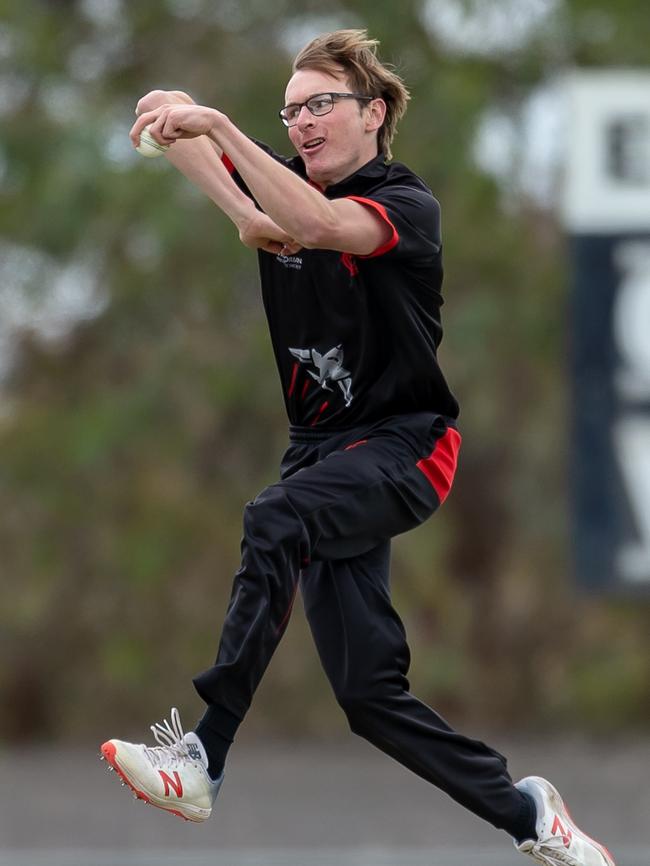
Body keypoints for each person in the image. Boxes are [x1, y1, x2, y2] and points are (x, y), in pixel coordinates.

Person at [100, 30, 615, 866]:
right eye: (291, 110)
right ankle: (525, 812)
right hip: (323, 456)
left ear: (372, 115)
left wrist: (225, 130)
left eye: (320, 106)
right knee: (370, 696)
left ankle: (203, 755)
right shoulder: (279, 191)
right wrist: (207, 167)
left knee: (273, 520)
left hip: (405, 446)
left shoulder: (401, 204)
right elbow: (176, 130)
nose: (301, 123)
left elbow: (312, 221)